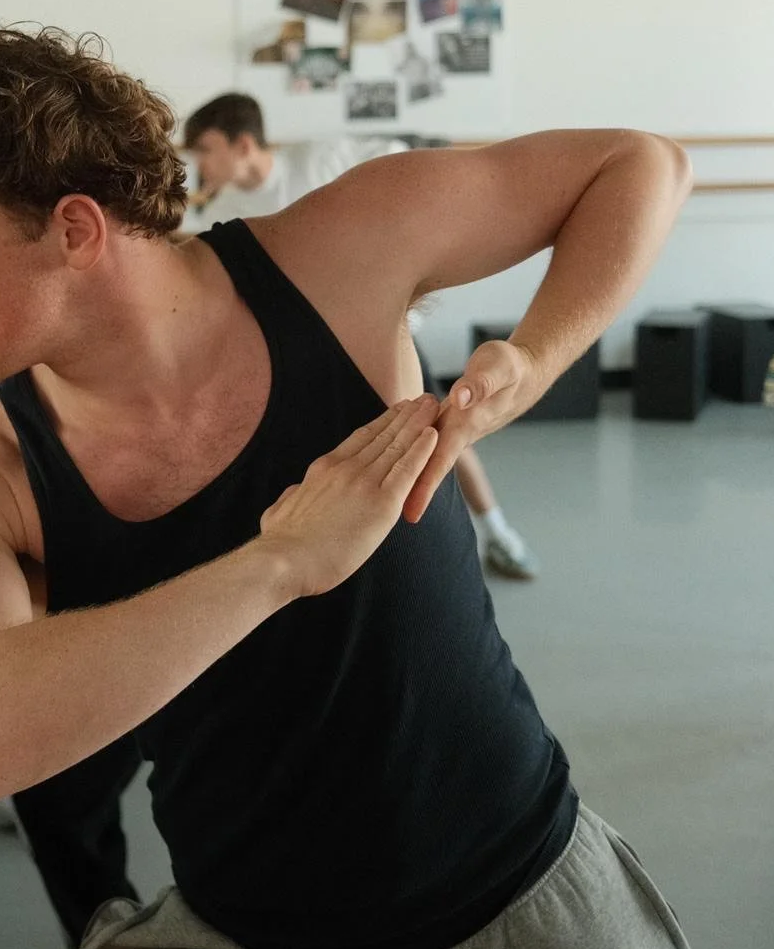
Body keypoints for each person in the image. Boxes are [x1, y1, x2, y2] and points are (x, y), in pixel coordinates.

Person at [0, 28, 774, 949]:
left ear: (75, 228)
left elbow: (637, 162)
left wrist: (531, 357)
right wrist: (275, 566)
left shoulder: (339, 252)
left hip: (537, 945)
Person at [184, 91, 540, 582]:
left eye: (204, 149)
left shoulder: (319, 160)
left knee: (438, 428)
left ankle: (496, 531)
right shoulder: (222, 211)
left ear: (241, 144)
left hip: (381, 331)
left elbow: (404, 168)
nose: (198, 163)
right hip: (300, 349)